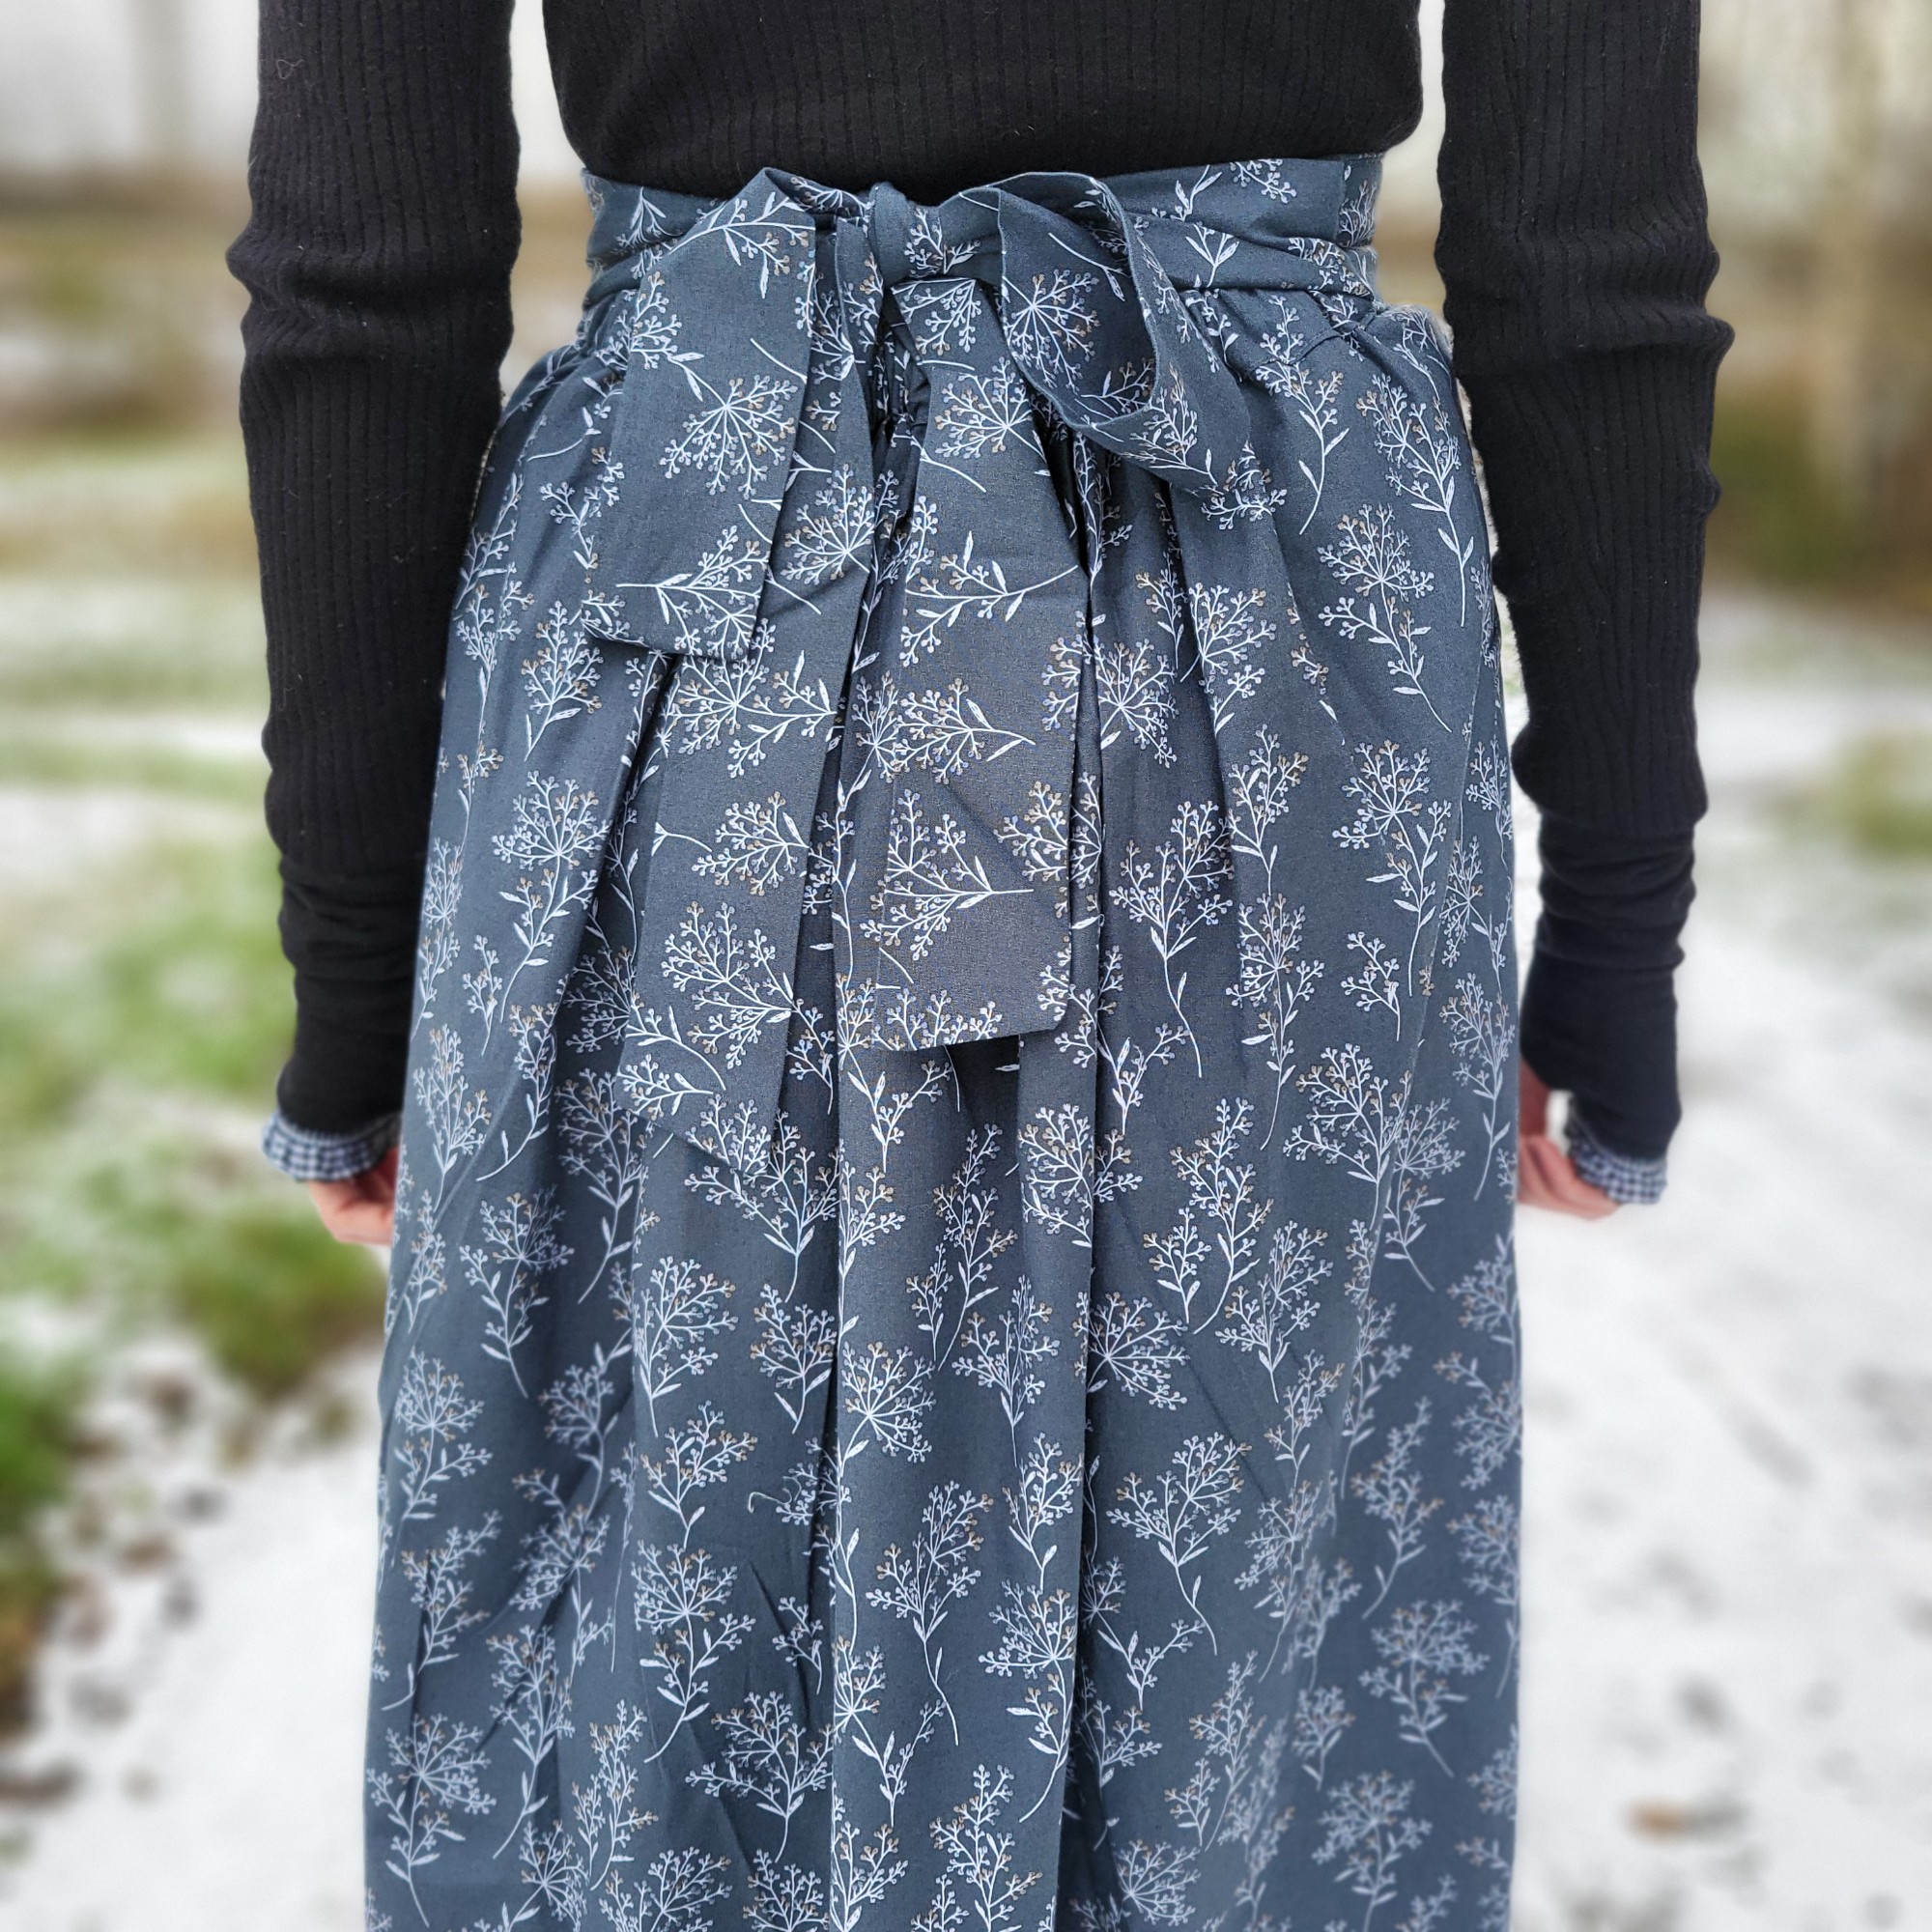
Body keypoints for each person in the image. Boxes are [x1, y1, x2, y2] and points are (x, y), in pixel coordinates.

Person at [228, 3, 1727, 1922]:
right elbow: (1585, 254)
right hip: (1267, 634)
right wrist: (1615, 902)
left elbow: (363, 272)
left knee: (669, 1620)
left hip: (706, 639)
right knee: (1238, 1617)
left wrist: (361, 977)